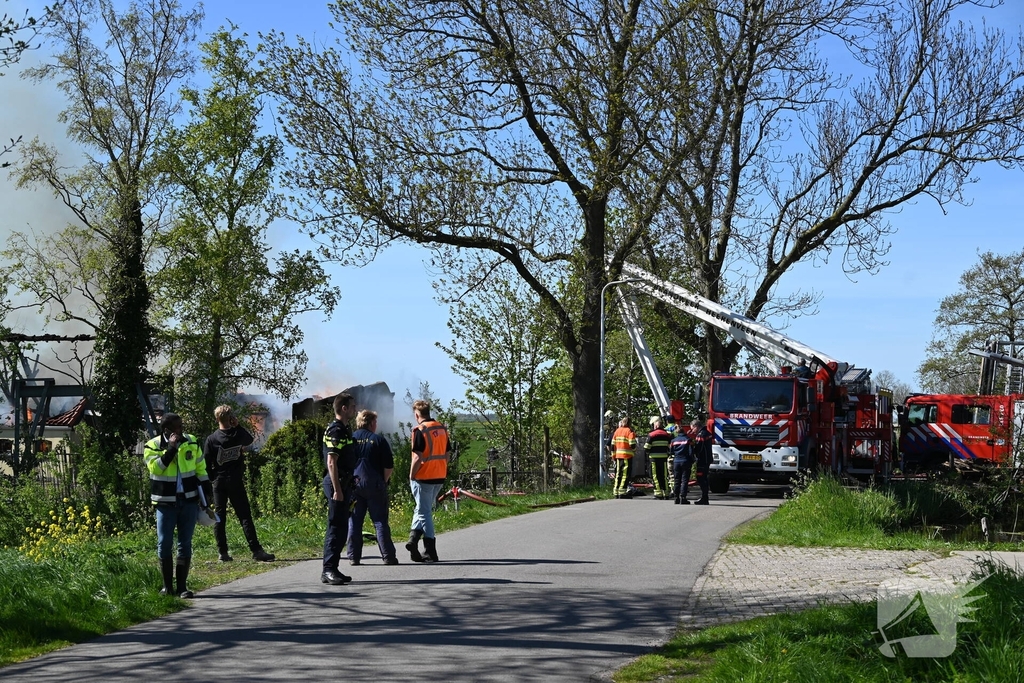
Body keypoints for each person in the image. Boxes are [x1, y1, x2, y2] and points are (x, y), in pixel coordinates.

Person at [143, 412, 212, 598]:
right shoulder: (152, 445)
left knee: (185, 543)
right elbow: (156, 468)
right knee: (164, 543)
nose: (182, 429)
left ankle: (182, 587)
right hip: (165, 502)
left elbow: (200, 467)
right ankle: (167, 588)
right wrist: (171, 449)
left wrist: (206, 492)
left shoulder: (191, 441)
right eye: (178, 427)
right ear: (167, 430)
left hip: (188, 500)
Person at [204, 405, 275, 563]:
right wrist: (238, 426)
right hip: (235, 480)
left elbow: (206, 463)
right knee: (244, 516)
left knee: (219, 517)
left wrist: (213, 479)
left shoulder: (212, 439)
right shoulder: (237, 435)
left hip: (219, 482)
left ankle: (223, 552)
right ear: (231, 418)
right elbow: (249, 440)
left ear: (216, 419)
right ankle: (256, 550)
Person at [346, 409, 399, 565]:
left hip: (354, 485)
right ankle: (388, 556)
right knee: (380, 521)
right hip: (375, 485)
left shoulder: (350, 439)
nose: (376, 425)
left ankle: (353, 557)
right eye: (375, 422)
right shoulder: (378, 440)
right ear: (370, 423)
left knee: (354, 521)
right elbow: (389, 466)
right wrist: (383, 481)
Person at [407, 400, 450, 563]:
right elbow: (447, 454)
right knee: (422, 508)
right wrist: (440, 467)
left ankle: (431, 550)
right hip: (439, 475)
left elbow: (417, 457)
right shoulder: (441, 428)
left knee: (424, 512)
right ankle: (413, 540)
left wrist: (411, 475)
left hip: (423, 476)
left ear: (416, 414)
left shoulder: (420, 430)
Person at [322, 392, 357, 585]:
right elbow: (332, 462)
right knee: (335, 527)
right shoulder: (336, 431)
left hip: (345, 483)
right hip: (337, 483)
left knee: (342, 528)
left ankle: (333, 568)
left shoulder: (344, 429)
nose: (355, 410)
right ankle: (328, 569)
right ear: (344, 408)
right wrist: (337, 490)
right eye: (352, 406)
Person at [644, 417, 672, 499]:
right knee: (664, 476)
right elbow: (670, 447)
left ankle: (658, 493)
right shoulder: (667, 434)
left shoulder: (651, 435)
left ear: (655, 425)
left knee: (655, 476)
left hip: (654, 459)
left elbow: (646, 448)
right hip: (664, 458)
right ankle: (666, 493)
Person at [611, 417, 636, 499]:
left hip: (618, 456)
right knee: (625, 474)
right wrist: (634, 450)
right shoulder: (629, 431)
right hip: (627, 456)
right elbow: (632, 444)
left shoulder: (617, 431)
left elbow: (612, 445)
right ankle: (622, 492)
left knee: (618, 474)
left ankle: (616, 491)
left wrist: (613, 455)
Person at [670, 421, 694, 504]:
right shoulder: (688, 440)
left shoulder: (673, 441)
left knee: (677, 480)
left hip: (676, 461)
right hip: (685, 461)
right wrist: (692, 460)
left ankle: (676, 498)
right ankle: (683, 498)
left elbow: (671, 452)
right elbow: (691, 452)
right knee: (684, 480)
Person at [691, 418, 714, 505]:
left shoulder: (701, 435)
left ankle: (704, 497)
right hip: (707, 459)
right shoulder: (707, 433)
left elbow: (699, 448)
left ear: (696, 426)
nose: (692, 431)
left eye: (692, 429)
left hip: (702, 460)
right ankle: (705, 497)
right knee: (704, 478)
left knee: (700, 478)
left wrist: (692, 452)